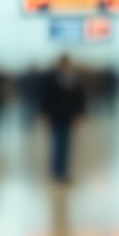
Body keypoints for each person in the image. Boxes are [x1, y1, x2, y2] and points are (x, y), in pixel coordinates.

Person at [40, 55, 87, 183]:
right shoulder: (51, 78)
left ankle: (63, 170)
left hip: (68, 115)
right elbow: (45, 96)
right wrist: (44, 113)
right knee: (58, 142)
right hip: (55, 115)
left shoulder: (74, 78)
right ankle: (56, 170)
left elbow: (80, 98)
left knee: (66, 144)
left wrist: (80, 114)